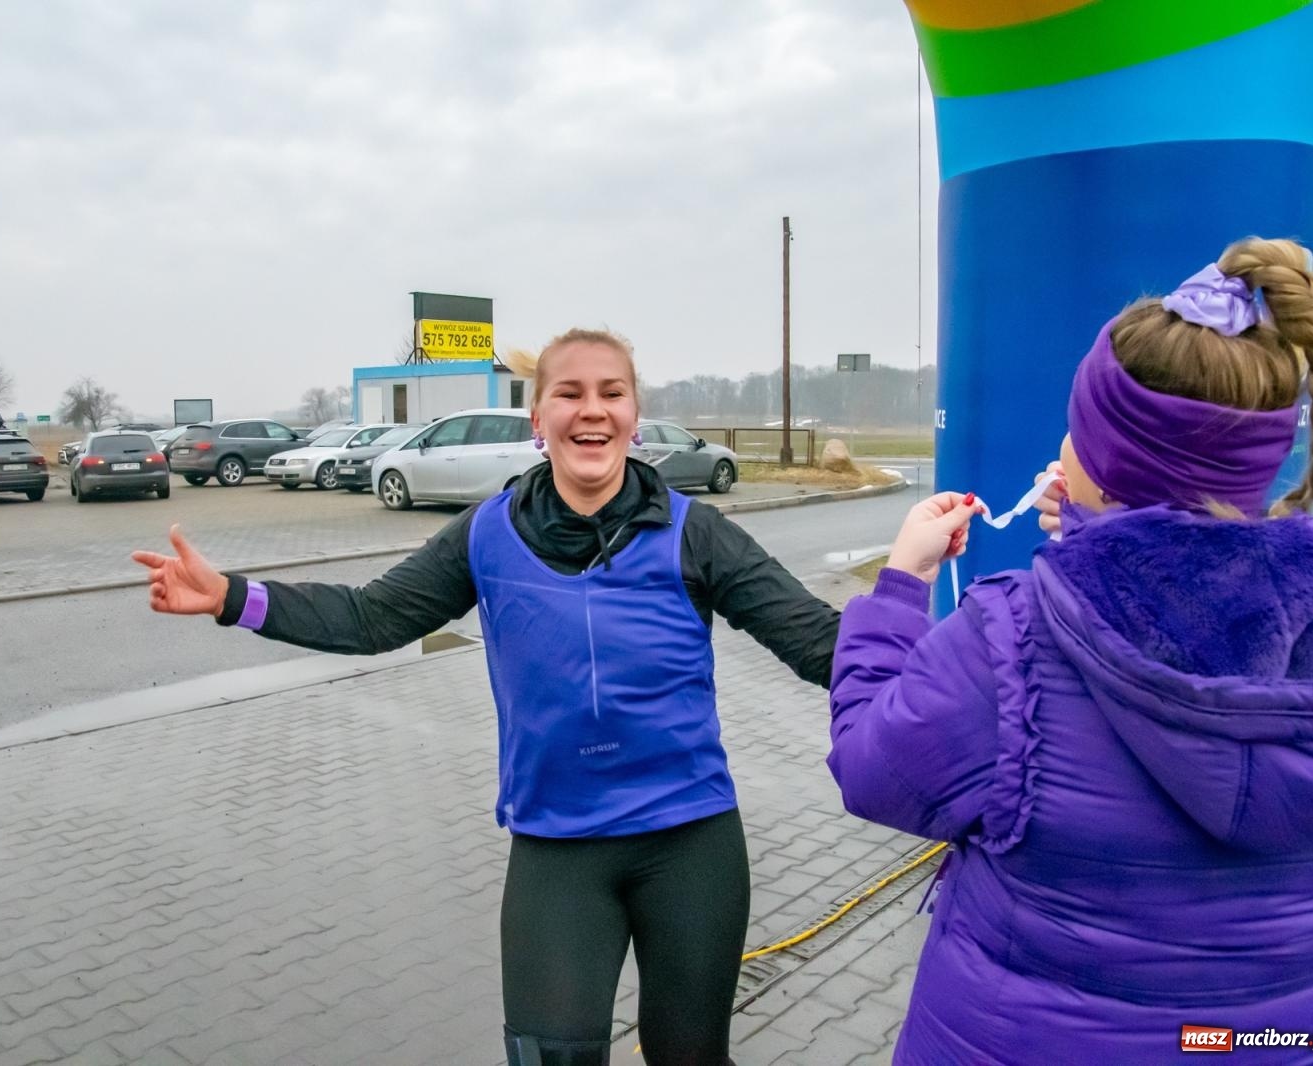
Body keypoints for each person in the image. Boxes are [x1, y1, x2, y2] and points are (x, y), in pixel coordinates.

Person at [133, 328, 842, 1065]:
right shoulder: (485, 537)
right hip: (559, 852)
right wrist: (233, 599)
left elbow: (818, 642)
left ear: (634, 417)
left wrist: (955, 653)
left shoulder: (697, 534)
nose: (591, 410)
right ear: (538, 419)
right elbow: (373, 617)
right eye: (569, 394)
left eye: (611, 393)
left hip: (691, 844)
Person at [827, 236, 1313, 1064]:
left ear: (1105, 455)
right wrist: (1113, 545)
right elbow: (1200, 605)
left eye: (1078, 430)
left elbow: (869, 764)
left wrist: (899, 585)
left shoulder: (1010, 643)